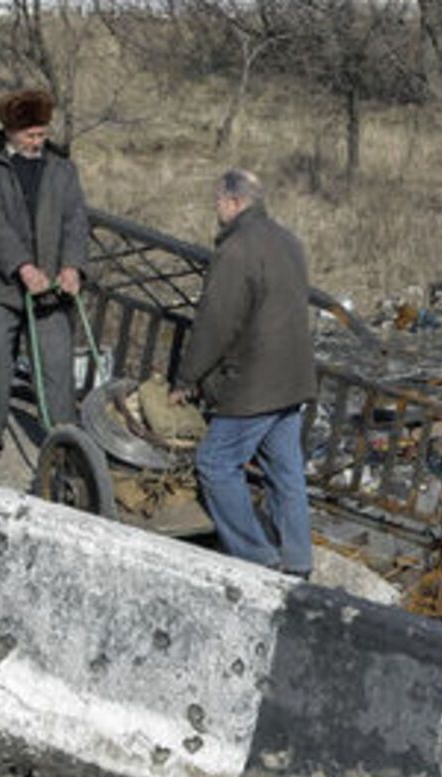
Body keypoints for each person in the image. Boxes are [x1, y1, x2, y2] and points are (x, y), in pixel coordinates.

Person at [171, 169, 316, 577]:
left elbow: (216, 323)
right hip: (293, 375)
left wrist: (186, 379)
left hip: (255, 380)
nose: (215, 210)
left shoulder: (236, 250)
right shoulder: (288, 240)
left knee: (216, 464)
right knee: (285, 472)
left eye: (217, 201)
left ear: (234, 202)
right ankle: (299, 559)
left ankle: (257, 557)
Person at [0, 88, 90, 480]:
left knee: (56, 365)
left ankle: (64, 449)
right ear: (10, 131)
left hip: (50, 284)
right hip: (0, 282)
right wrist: (21, 266)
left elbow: (75, 221)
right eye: (31, 135)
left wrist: (72, 266)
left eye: (42, 133)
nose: (39, 141)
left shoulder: (61, 168)